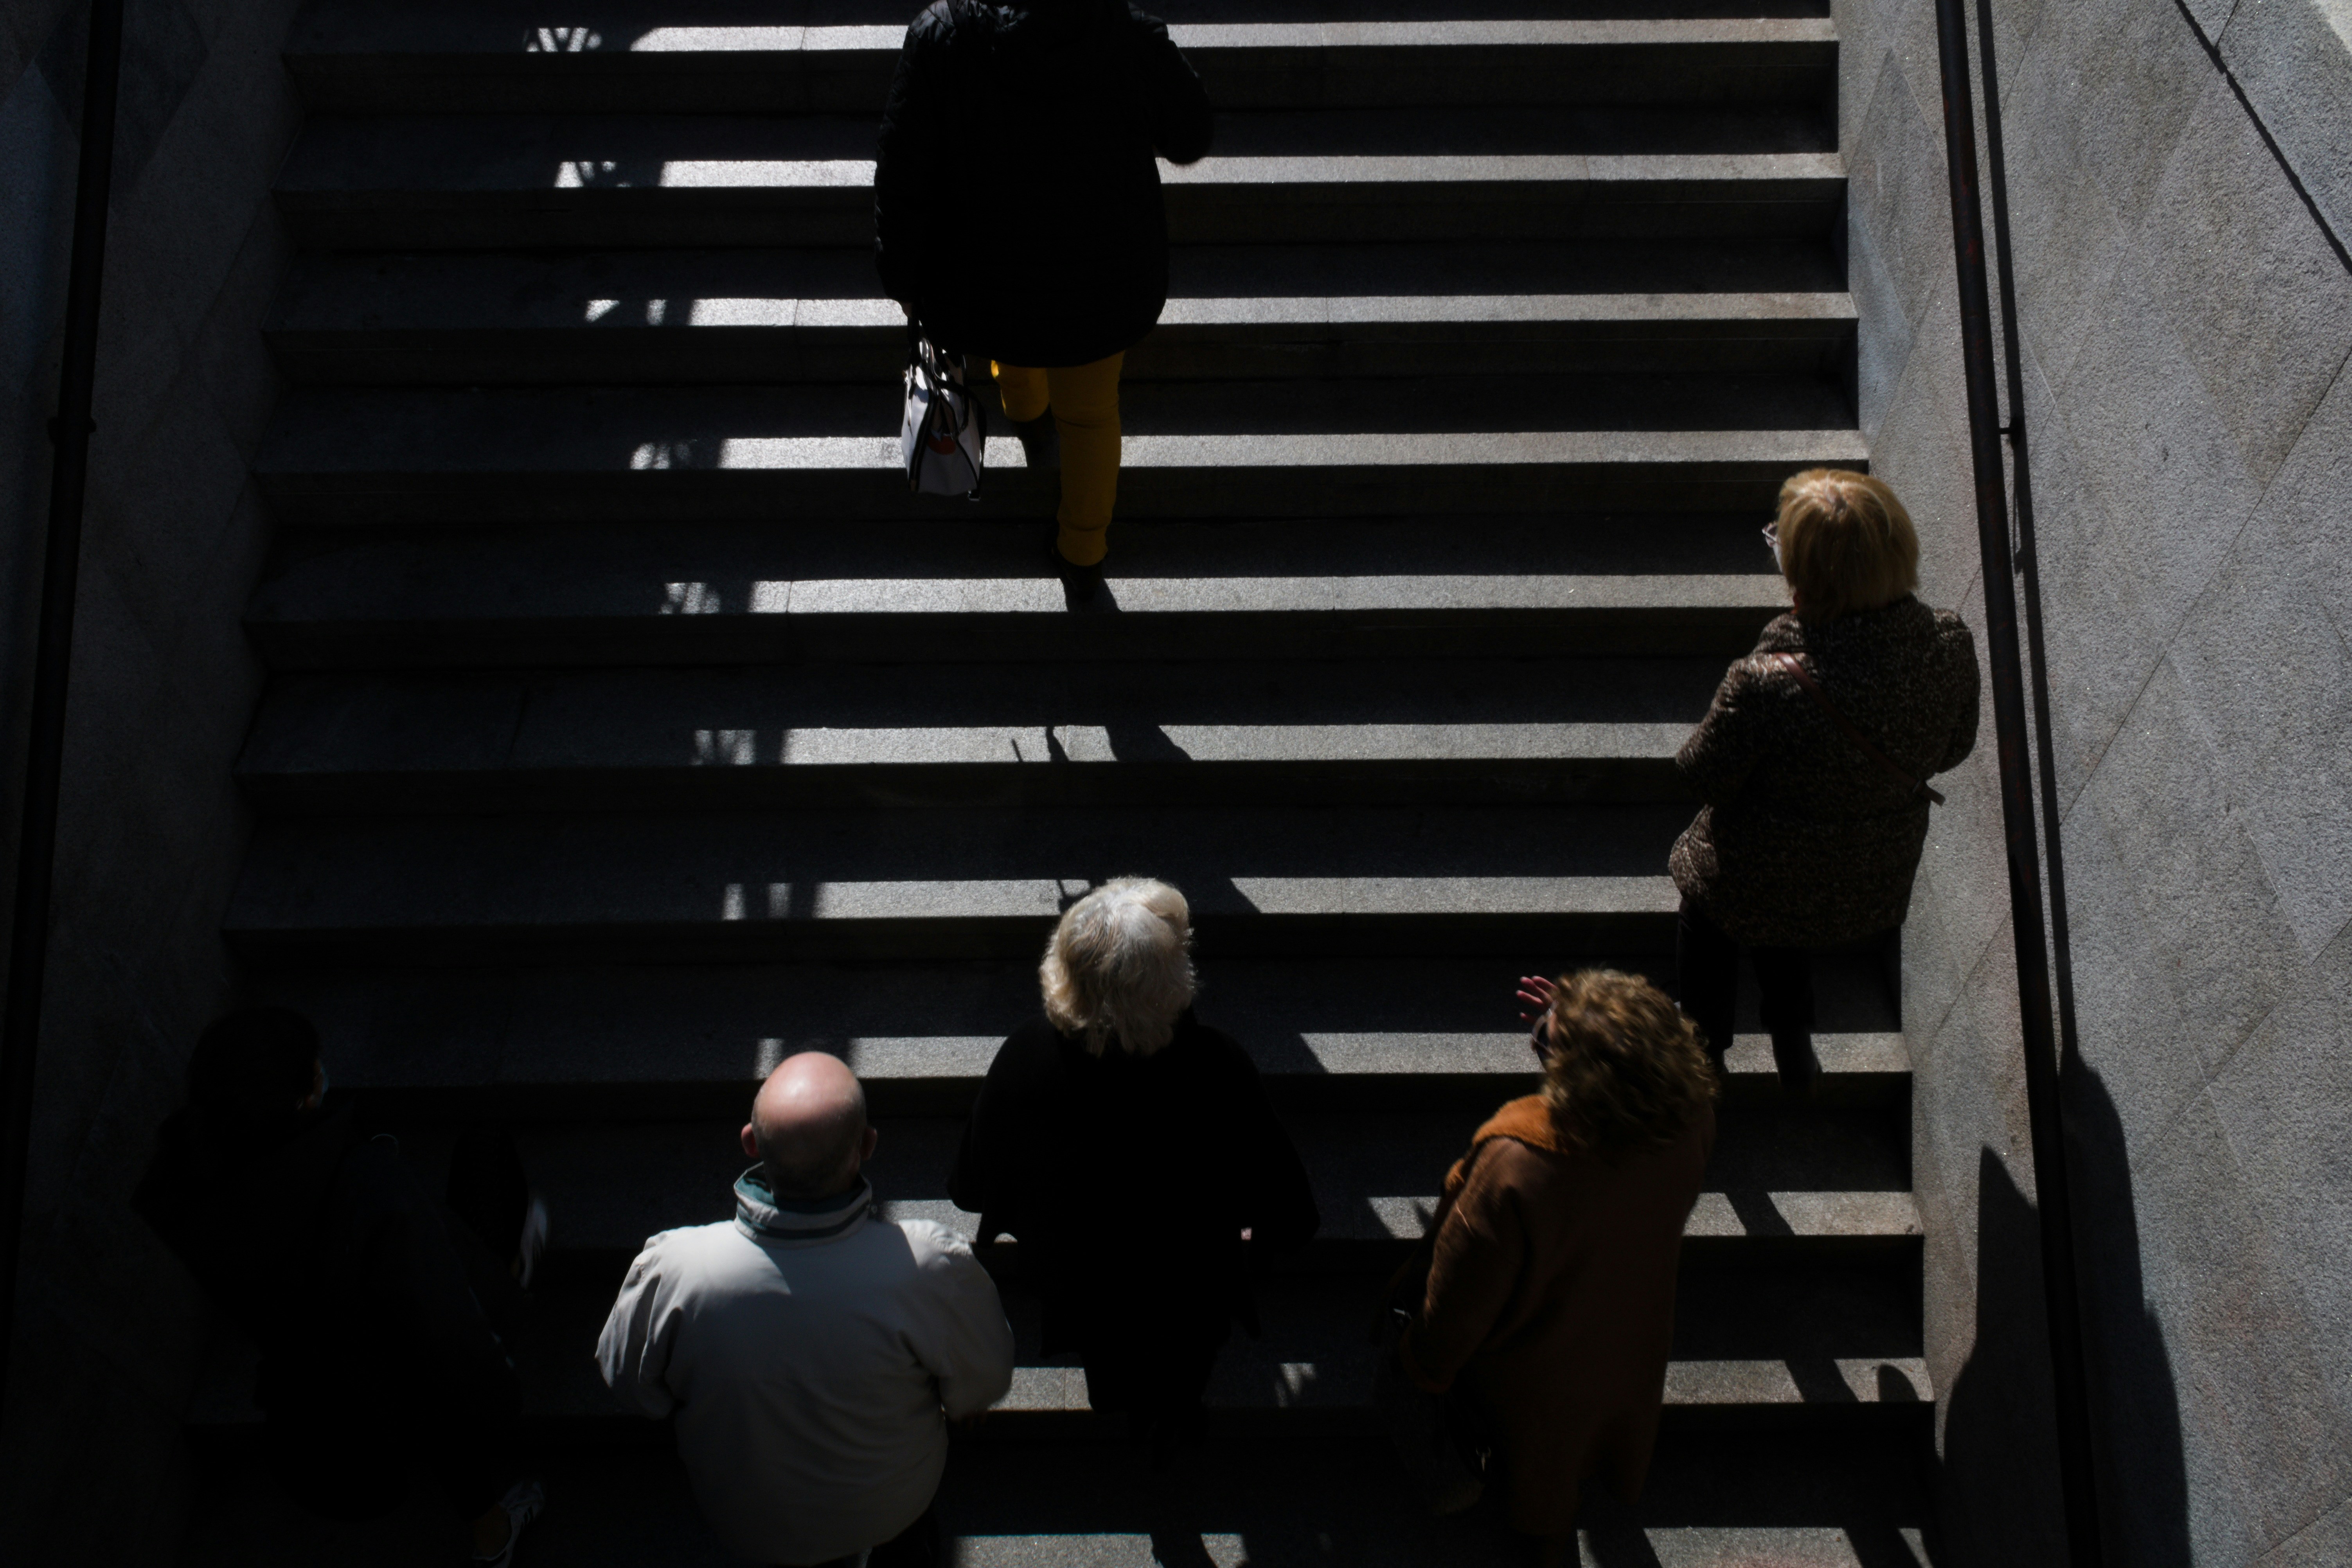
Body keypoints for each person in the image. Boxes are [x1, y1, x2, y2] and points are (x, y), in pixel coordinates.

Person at [134, 1008, 545, 1566]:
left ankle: (490, 1528)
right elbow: (449, 1330)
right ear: (303, 1097)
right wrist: (503, 1392)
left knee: (404, 1385)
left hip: (317, 1392)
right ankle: (493, 1532)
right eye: (313, 1069)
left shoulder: (184, 1194)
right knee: (485, 1152)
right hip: (397, 1369)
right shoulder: (369, 1189)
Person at [598, 1052, 1013, 1567]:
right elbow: (985, 1379)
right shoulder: (928, 1266)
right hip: (892, 1514)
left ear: (750, 1141)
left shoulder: (675, 1270)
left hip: (746, 1524)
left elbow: (628, 1382)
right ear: (867, 1147)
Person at [949, 878, 1319, 1456]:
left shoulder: (1026, 1055)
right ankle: (1171, 1419)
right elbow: (1292, 1212)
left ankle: (1124, 1401)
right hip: (1190, 1289)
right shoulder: (1216, 1067)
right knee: (1183, 1372)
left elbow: (970, 1188)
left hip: (1088, 1284)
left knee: (1111, 1354)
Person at [874, 0, 1214, 579]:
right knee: (1089, 418)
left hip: (984, 276)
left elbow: (904, 173)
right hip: (1100, 283)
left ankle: (1024, 407)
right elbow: (1190, 133)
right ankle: (1083, 550)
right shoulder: (1123, 35)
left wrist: (903, 279)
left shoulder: (944, 35)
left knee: (1013, 330)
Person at [1671, 468, 1981, 1094]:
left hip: (1766, 870)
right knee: (1789, 904)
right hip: (1866, 872)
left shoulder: (1765, 682)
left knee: (1709, 898)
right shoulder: (1948, 643)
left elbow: (1702, 774)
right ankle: (1793, 1043)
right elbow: (1954, 749)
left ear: (1805, 573)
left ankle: (1702, 1050)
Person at [1396, 970, 1717, 1566]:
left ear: (1584, 1080)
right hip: (1630, 1331)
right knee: (1598, 1421)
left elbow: (1462, 1295)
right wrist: (1585, 1023)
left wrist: (1424, 1368)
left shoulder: (1519, 1164)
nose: (1544, 1039)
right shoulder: (1689, 1119)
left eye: (1554, 1042)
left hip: (1534, 1365)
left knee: (1542, 1473)